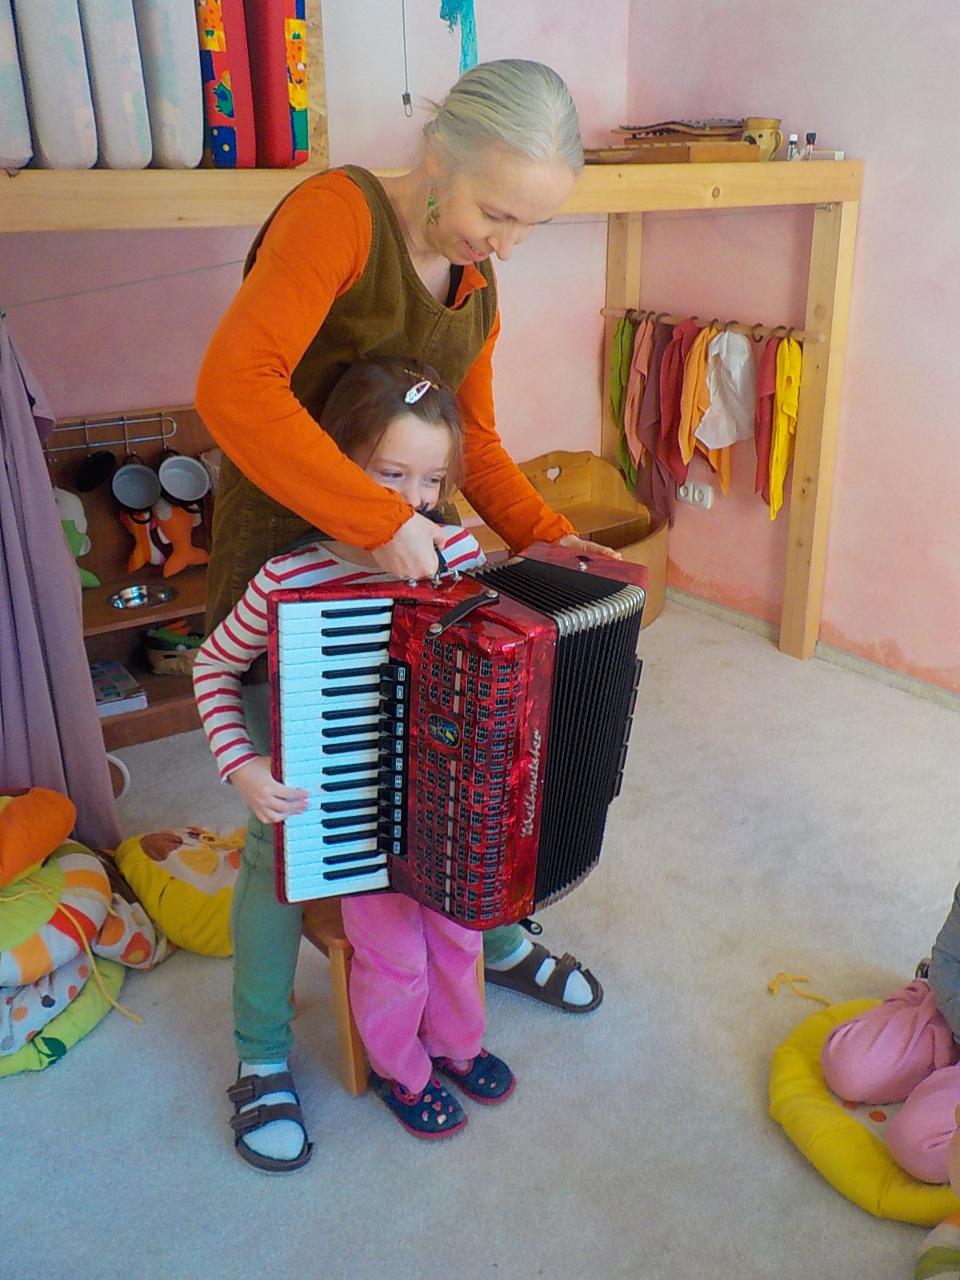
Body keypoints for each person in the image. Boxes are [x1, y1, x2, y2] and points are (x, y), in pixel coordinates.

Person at [195, 58, 609, 1022]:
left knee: (461, 787)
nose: (506, 244)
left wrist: (554, 541)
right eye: (495, 213)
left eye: (530, 226)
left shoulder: (478, 285)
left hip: (416, 582)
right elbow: (234, 387)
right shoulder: (336, 217)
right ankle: (259, 1044)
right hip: (295, 570)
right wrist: (380, 521)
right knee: (288, 833)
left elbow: (479, 446)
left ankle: (496, 939)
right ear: (438, 153)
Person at [195, 357, 516, 1169]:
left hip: (445, 803)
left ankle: (456, 1044)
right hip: (353, 816)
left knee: (460, 937)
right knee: (395, 957)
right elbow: (213, 667)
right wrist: (244, 767)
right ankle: (399, 1070)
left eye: (432, 480)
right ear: (335, 466)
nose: (414, 501)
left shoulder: (458, 551)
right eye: (390, 473)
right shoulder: (289, 577)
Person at [821, 884, 960, 1186]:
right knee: (847, 1067)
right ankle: (921, 1001)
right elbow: (949, 962)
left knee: (918, 1147)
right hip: (947, 1013)